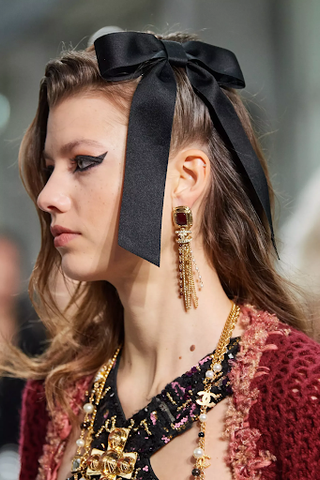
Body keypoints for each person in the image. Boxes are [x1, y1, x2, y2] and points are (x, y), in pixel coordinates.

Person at [2, 30, 320, 480]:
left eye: (84, 162)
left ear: (186, 179)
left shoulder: (298, 392)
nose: (47, 196)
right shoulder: (56, 391)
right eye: (49, 168)